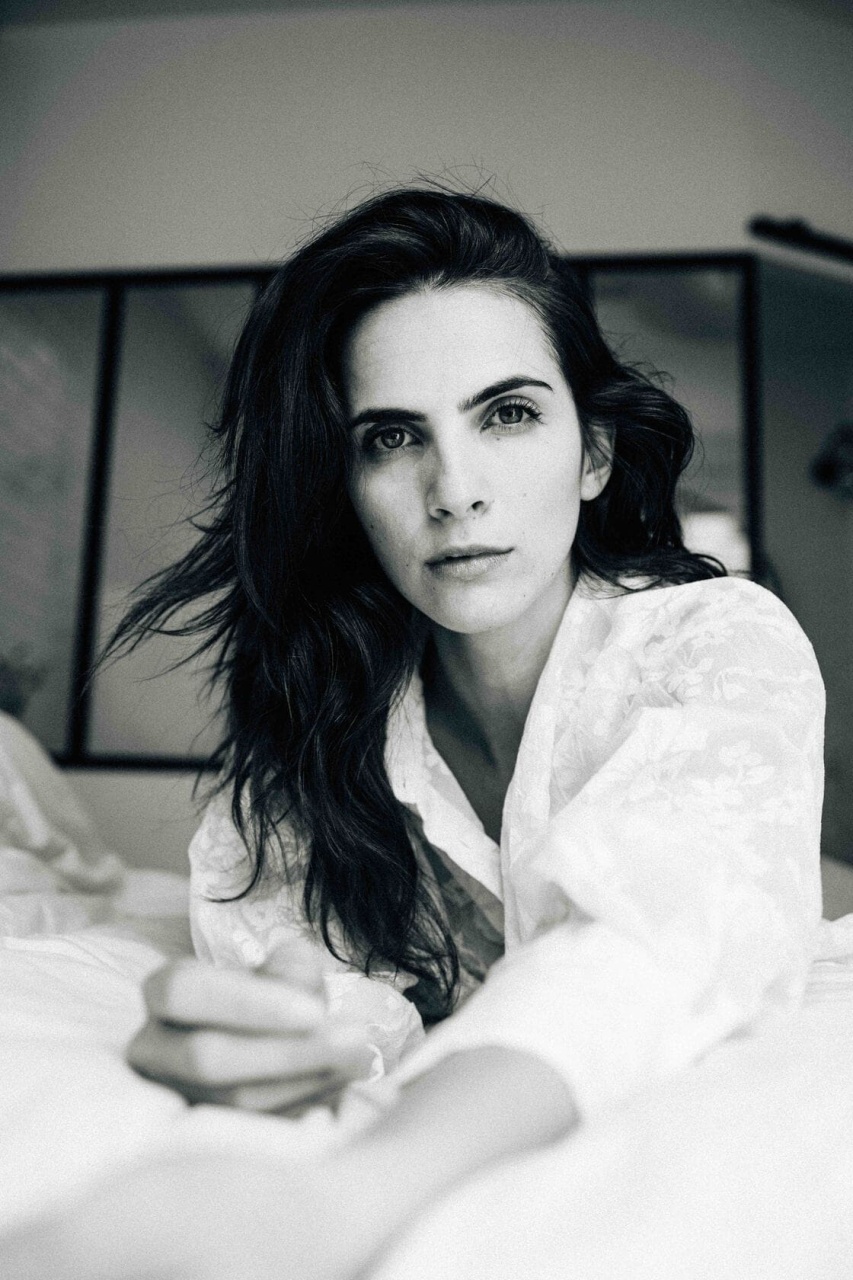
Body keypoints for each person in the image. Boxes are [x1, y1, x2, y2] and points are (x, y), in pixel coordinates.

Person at [9, 187, 826, 1279]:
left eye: (508, 414)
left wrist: (337, 1201)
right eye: (392, 437)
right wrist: (269, 1034)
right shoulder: (327, 718)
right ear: (345, 487)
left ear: (592, 455)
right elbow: (317, 981)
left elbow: (651, 946)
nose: (455, 491)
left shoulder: (716, 640)